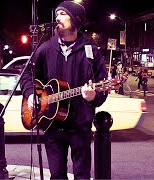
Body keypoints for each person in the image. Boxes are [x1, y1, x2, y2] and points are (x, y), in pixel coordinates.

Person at [20, 1, 108, 179]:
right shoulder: (45, 49)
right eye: (57, 14)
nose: (57, 18)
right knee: (57, 175)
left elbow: (103, 85)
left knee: (82, 175)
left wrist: (93, 97)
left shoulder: (91, 51)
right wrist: (31, 94)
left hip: (80, 126)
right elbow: (26, 76)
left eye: (62, 14)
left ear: (75, 20)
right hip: (52, 124)